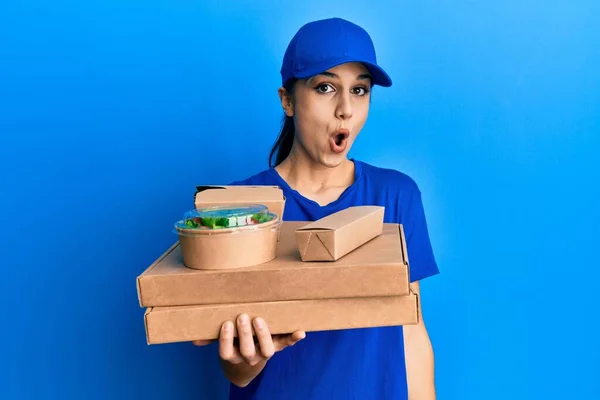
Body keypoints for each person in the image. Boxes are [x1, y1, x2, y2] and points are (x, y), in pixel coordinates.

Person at [194, 17, 440, 400]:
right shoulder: (240, 207)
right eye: (325, 87)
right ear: (287, 100)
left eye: (360, 90)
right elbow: (238, 373)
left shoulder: (396, 195)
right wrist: (246, 359)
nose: (345, 109)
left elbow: (411, 328)